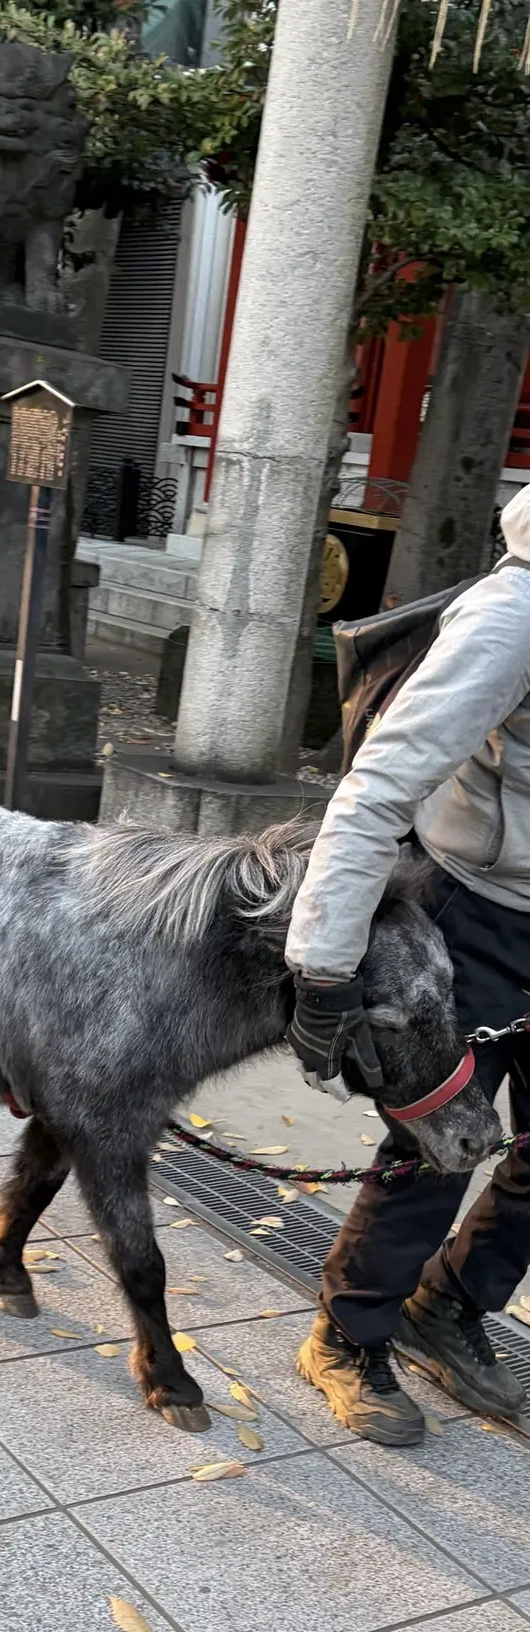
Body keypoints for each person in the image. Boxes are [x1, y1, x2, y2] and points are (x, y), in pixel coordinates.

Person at [285, 482, 530, 1445]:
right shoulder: (513, 615)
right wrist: (325, 963)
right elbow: (378, 786)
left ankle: (455, 1302)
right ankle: (348, 1335)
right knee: (441, 1141)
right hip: (474, 908)